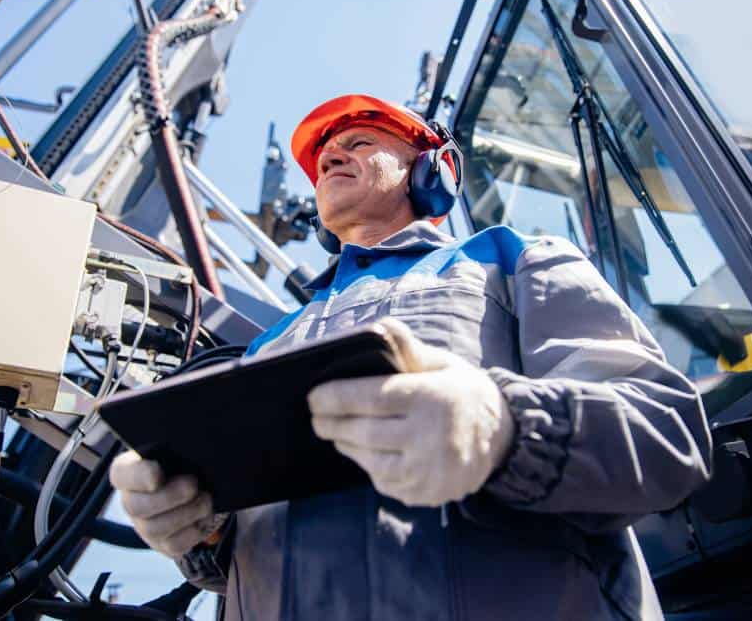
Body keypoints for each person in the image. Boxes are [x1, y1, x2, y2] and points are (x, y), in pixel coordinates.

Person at [110, 94, 712, 620]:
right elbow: (245, 559)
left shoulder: (512, 262)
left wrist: (504, 428)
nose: (330, 157)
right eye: (324, 156)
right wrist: (198, 528)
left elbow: (665, 431)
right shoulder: (271, 344)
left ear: (432, 170)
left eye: (359, 141)